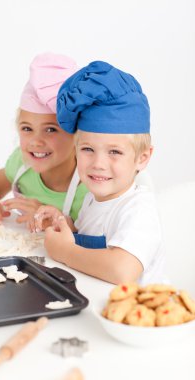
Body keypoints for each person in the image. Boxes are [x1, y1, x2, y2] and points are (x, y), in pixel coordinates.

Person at [34, 60, 166, 285]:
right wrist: (63, 224)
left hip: (138, 316)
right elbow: (89, 239)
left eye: (114, 151)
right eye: (88, 149)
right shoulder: (92, 199)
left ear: (142, 157)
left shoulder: (138, 209)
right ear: (75, 150)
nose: (98, 163)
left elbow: (122, 270)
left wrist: (65, 251)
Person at [0, 53, 88, 231]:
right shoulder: (22, 164)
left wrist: (52, 222)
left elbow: (100, 240)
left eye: (50, 129)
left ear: (77, 134)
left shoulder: (92, 184)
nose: (36, 141)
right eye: (27, 129)